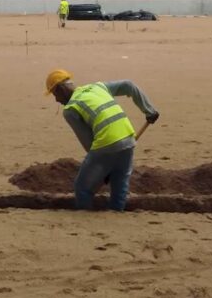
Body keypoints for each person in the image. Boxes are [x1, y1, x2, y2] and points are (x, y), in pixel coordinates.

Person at [45, 69, 159, 211]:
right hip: (128, 138)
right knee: (119, 186)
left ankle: (84, 219)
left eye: (55, 94)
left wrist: (101, 170)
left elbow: (88, 143)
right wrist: (149, 110)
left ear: (61, 89)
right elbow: (128, 85)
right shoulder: (97, 87)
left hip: (106, 144)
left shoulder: (70, 109)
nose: (57, 100)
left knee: (82, 188)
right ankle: (117, 215)